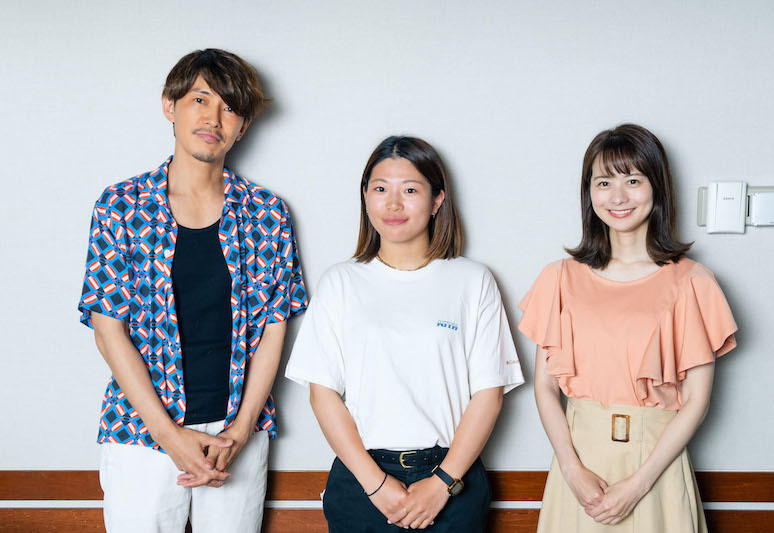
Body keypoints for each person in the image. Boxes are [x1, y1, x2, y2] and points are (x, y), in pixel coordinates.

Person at [78, 48, 307, 533]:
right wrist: (168, 435)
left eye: (229, 108)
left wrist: (241, 430)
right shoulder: (121, 206)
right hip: (141, 431)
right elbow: (107, 331)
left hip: (236, 435)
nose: (213, 119)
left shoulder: (266, 213)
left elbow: (275, 327)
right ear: (170, 105)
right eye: (200, 100)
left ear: (242, 127)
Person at [285, 136, 524, 532]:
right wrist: (376, 484)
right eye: (380, 189)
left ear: (437, 200)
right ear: (365, 197)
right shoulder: (340, 282)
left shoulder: (472, 280)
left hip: (452, 479)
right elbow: (322, 393)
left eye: (410, 190)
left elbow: (489, 393)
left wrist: (443, 483)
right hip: (361, 481)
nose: (393, 204)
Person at [519, 123, 738, 532]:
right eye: (603, 182)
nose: (617, 197)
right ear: (589, 193)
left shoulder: (693, 282)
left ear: (657, 187)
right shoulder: (559, 278)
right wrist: (571, 469)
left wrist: (638, 485)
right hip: (579, 471)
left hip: (656, 469)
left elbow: (696, 401)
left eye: (633, 180)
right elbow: (545, 387)